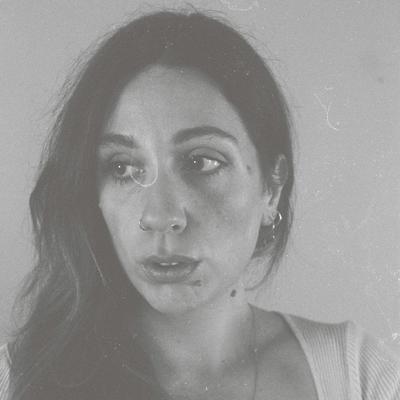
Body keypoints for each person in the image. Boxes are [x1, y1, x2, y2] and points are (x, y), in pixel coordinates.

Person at [0, 9, 399, 400]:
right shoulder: (17, 379)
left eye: (201, 162)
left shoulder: (362, 376)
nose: (160, 216)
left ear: (272, 187)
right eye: (122, 168)